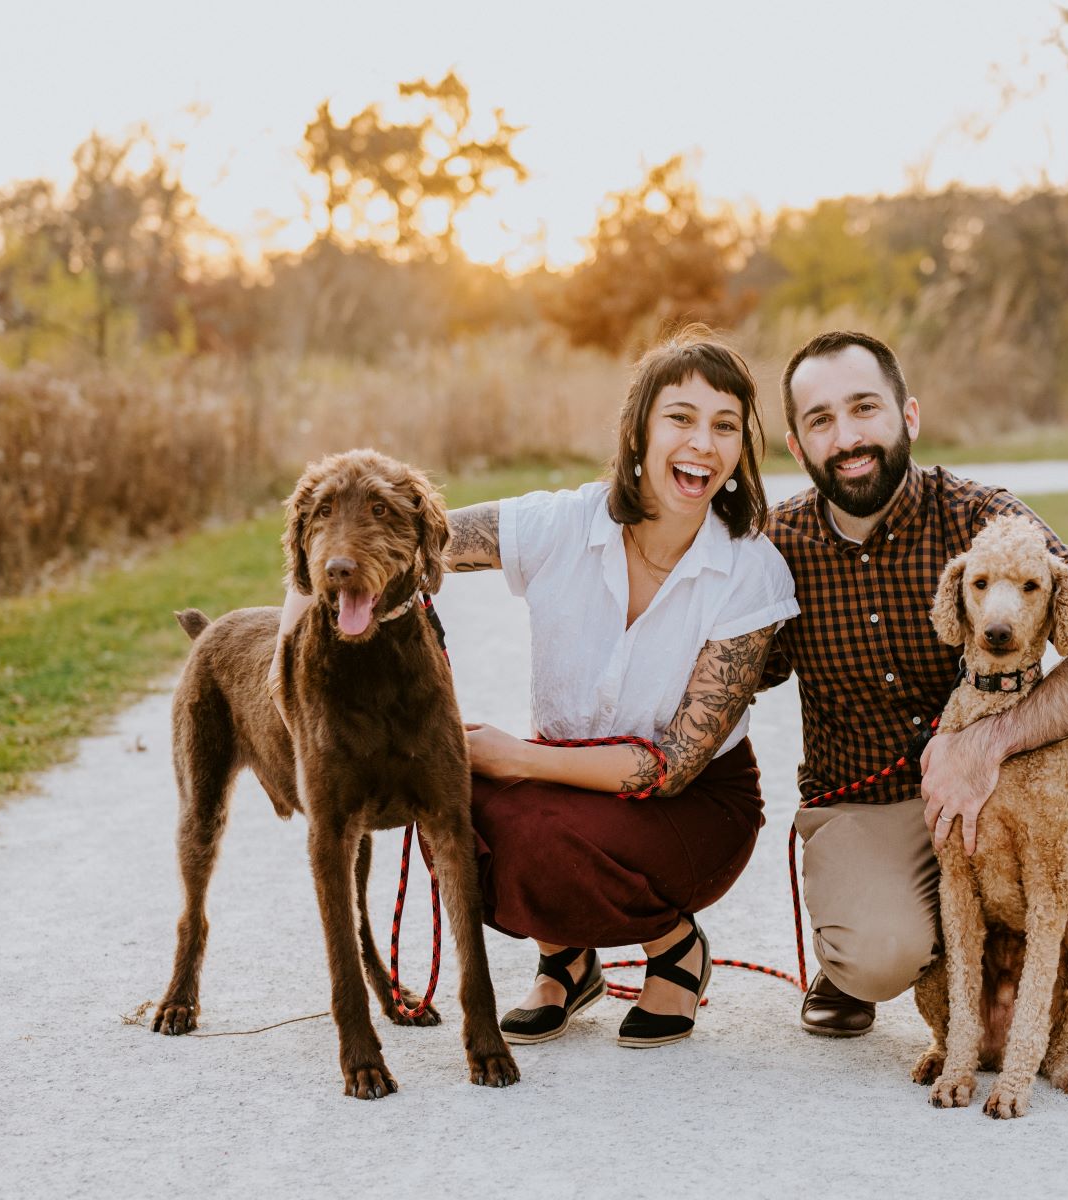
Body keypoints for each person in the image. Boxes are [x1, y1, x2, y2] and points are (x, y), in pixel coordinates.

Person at [269, 328, 796, 1049]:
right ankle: (569, 960)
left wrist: (518, 757)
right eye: (680, 418)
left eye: (724, 426)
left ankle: (675, 947)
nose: (701, 443)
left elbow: (672, 763)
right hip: (569, 786)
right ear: (638, 432)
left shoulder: (749, 570)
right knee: (446, 800)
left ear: (741, 451)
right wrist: (302, 610)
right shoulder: (565, 523)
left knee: (542, 830)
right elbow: (415, 538)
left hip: (697, 807)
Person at [761, 330, 1068, 1099]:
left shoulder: (982, 518)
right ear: (797, 444)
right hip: (875, 800)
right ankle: (864, 961)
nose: (849, 436)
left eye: (866, 408)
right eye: (821, 420)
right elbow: (714, 670)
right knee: (879, 950)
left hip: (1012, 770)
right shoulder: (779, 544)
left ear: (909, 415)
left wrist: (988, 741)